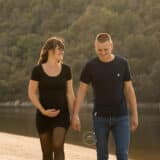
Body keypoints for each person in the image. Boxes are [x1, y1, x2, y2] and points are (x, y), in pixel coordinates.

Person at [72, 33, 138, 160]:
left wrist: (135, 114)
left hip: (121, 117)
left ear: (111, 46)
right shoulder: (90, 66)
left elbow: (129, 89)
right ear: (95, 47)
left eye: (105, 50)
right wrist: (75, 114)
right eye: (99, 50)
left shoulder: (122, 63)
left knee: (122, 154)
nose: (102, 53)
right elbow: (81, 91)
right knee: (102, 155)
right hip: (100, 118)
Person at [28, 37, 75, 160]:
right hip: (43, 116)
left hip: (62, 115)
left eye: (62, 50)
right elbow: (32, 93)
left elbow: (70, 93)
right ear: (49, 51)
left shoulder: (66, 70)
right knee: (47, 152)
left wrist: (75, 115)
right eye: (59, 49)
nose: (62, 52)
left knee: (58, 145)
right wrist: (43, 110)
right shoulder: (37, 70)